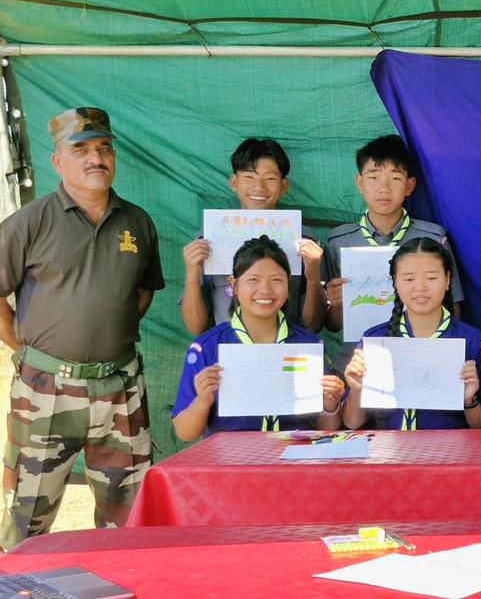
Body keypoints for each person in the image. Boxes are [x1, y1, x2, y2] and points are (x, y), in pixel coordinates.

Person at [0, 108, 164, 548]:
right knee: (25, 518)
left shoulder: (137, 222)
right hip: (45, 391)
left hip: (120, 388)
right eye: (82, 150)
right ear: (58, 161)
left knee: (128, 521)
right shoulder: (29, 223)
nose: (96, 158)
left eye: (104, 149)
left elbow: (142, 292)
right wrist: (23, 348)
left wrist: (106, 333)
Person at [172, 236, 345, 440]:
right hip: (228, 457)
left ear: (288, 284)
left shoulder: (309, 345)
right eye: (253, 280)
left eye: (276, 280)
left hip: (294, 454)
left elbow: (326, 429)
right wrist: (202, 400)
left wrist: (330, 406)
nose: (265, 290)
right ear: (234, 284)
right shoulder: (207, 347)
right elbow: (185, 433)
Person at [322, 135, 464, 373]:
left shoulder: (433, 237)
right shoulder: (339, 241)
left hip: (421, 357)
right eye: (374, 177)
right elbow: (332, 325)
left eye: (395, 178)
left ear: (409, 186)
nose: (384, 188)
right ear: (360, 183)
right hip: (358, 360)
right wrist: (336, 305)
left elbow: (454, 307)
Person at [179, 138, 325, 334]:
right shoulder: (207, 240)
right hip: (227, 347)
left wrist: (314, 277)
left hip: (287, 348)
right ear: (234, 182)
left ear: (284, 186)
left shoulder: (304, 240)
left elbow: (314, 325)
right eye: (249, 177)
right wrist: (192, 275)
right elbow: (196, 327)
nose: (259, 187)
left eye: (270, 179)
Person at [343, 237, 481, 430]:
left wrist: (469, 400)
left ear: (447, 280)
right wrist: (357, 388)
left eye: (431, 278)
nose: (420, 287)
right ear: (395, 282)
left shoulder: (473, 342)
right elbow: (352, 422)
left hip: (450, 448)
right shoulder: (375, 341)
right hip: (389, 447)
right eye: (409, 279)